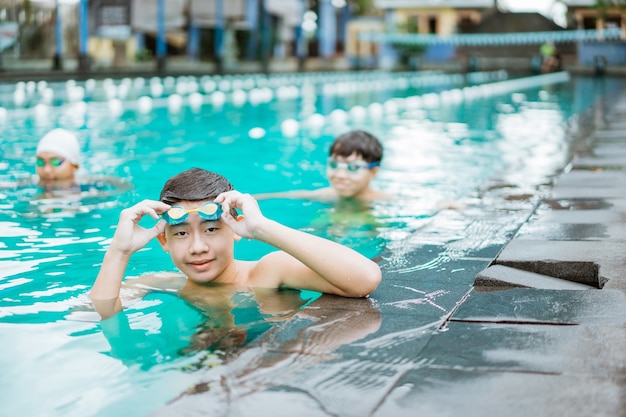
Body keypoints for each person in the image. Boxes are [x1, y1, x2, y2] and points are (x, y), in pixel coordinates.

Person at [89, 167, 382, 320]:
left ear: (235, 229)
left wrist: (262, 228)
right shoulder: (164, 282)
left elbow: (365, 279)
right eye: (181, 234)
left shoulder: (267, 272)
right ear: (163, 240)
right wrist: (119, 252)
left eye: (212, 229)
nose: (197, 247)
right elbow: (93, 315)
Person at [255, 130, 391, 203]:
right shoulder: (326, 195)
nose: (340, 175)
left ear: (373, 171)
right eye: (334, 164)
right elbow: (284, 196)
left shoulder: (384, 203)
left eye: (353, 167)